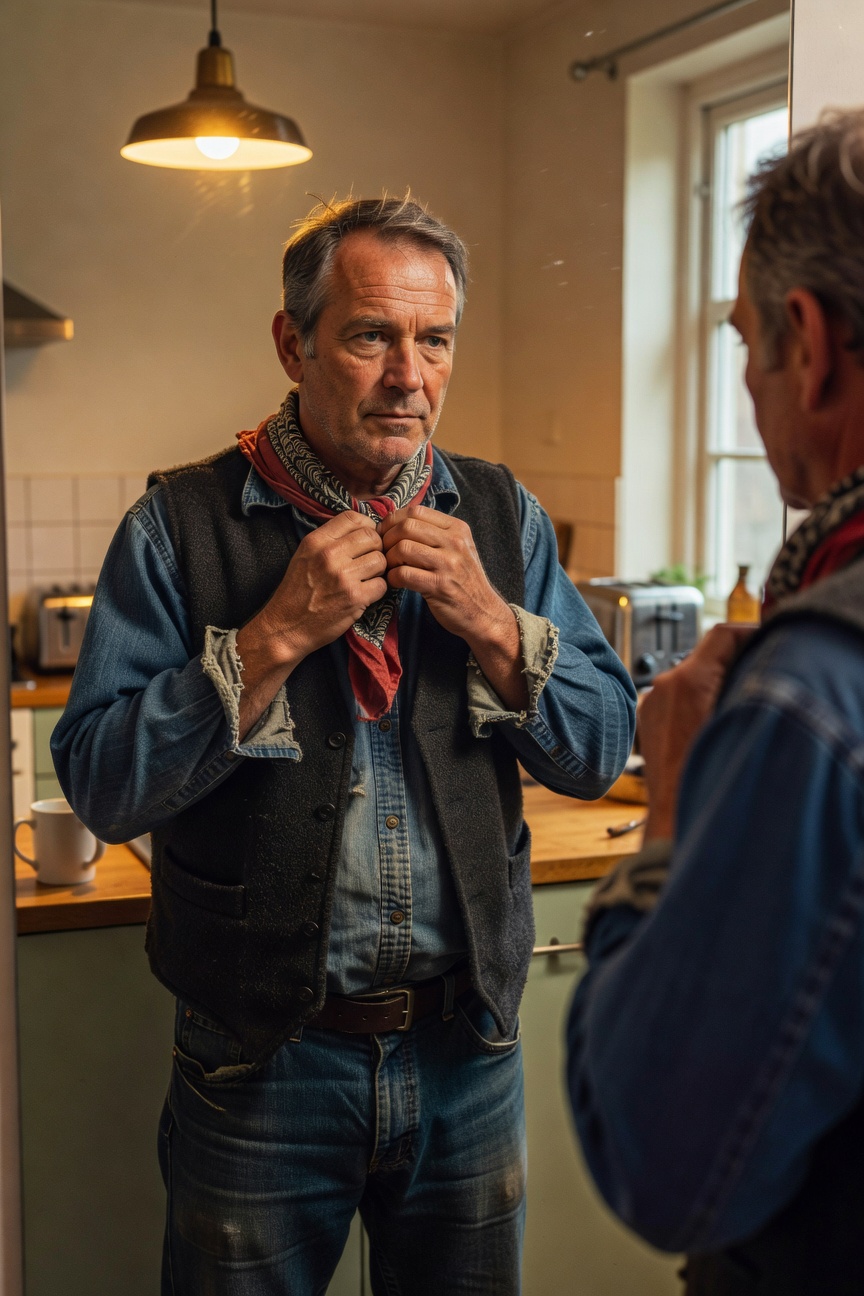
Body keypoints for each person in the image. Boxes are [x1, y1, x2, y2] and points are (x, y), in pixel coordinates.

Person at [53, 195, 636, 1295]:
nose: (409, 376)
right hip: (261, 1065)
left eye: (436, 339)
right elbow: (101, 786)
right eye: (373, 335)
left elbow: (602, 748)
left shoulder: (502, 522)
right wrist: (271, 638)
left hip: (470, 1057)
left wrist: (496, 625)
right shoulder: (175, 527)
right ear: (294, 341)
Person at [566, 109, 864, 1295]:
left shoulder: (811, 697)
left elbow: (666, 1164)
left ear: (811, 340)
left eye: (745, 342)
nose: (746, 383)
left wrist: (673, 814)